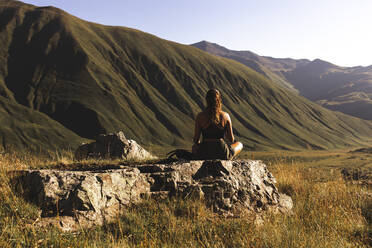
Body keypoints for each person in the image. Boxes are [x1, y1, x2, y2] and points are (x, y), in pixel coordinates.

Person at [192, 89, 243, 160]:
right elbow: (231, 139)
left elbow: (196, 140)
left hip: (205, 151)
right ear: (219, 100)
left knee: (194, 147)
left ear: (206, 101)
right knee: (240, 144)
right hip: (221, 151)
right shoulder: (225, 116)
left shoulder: (200, 116)